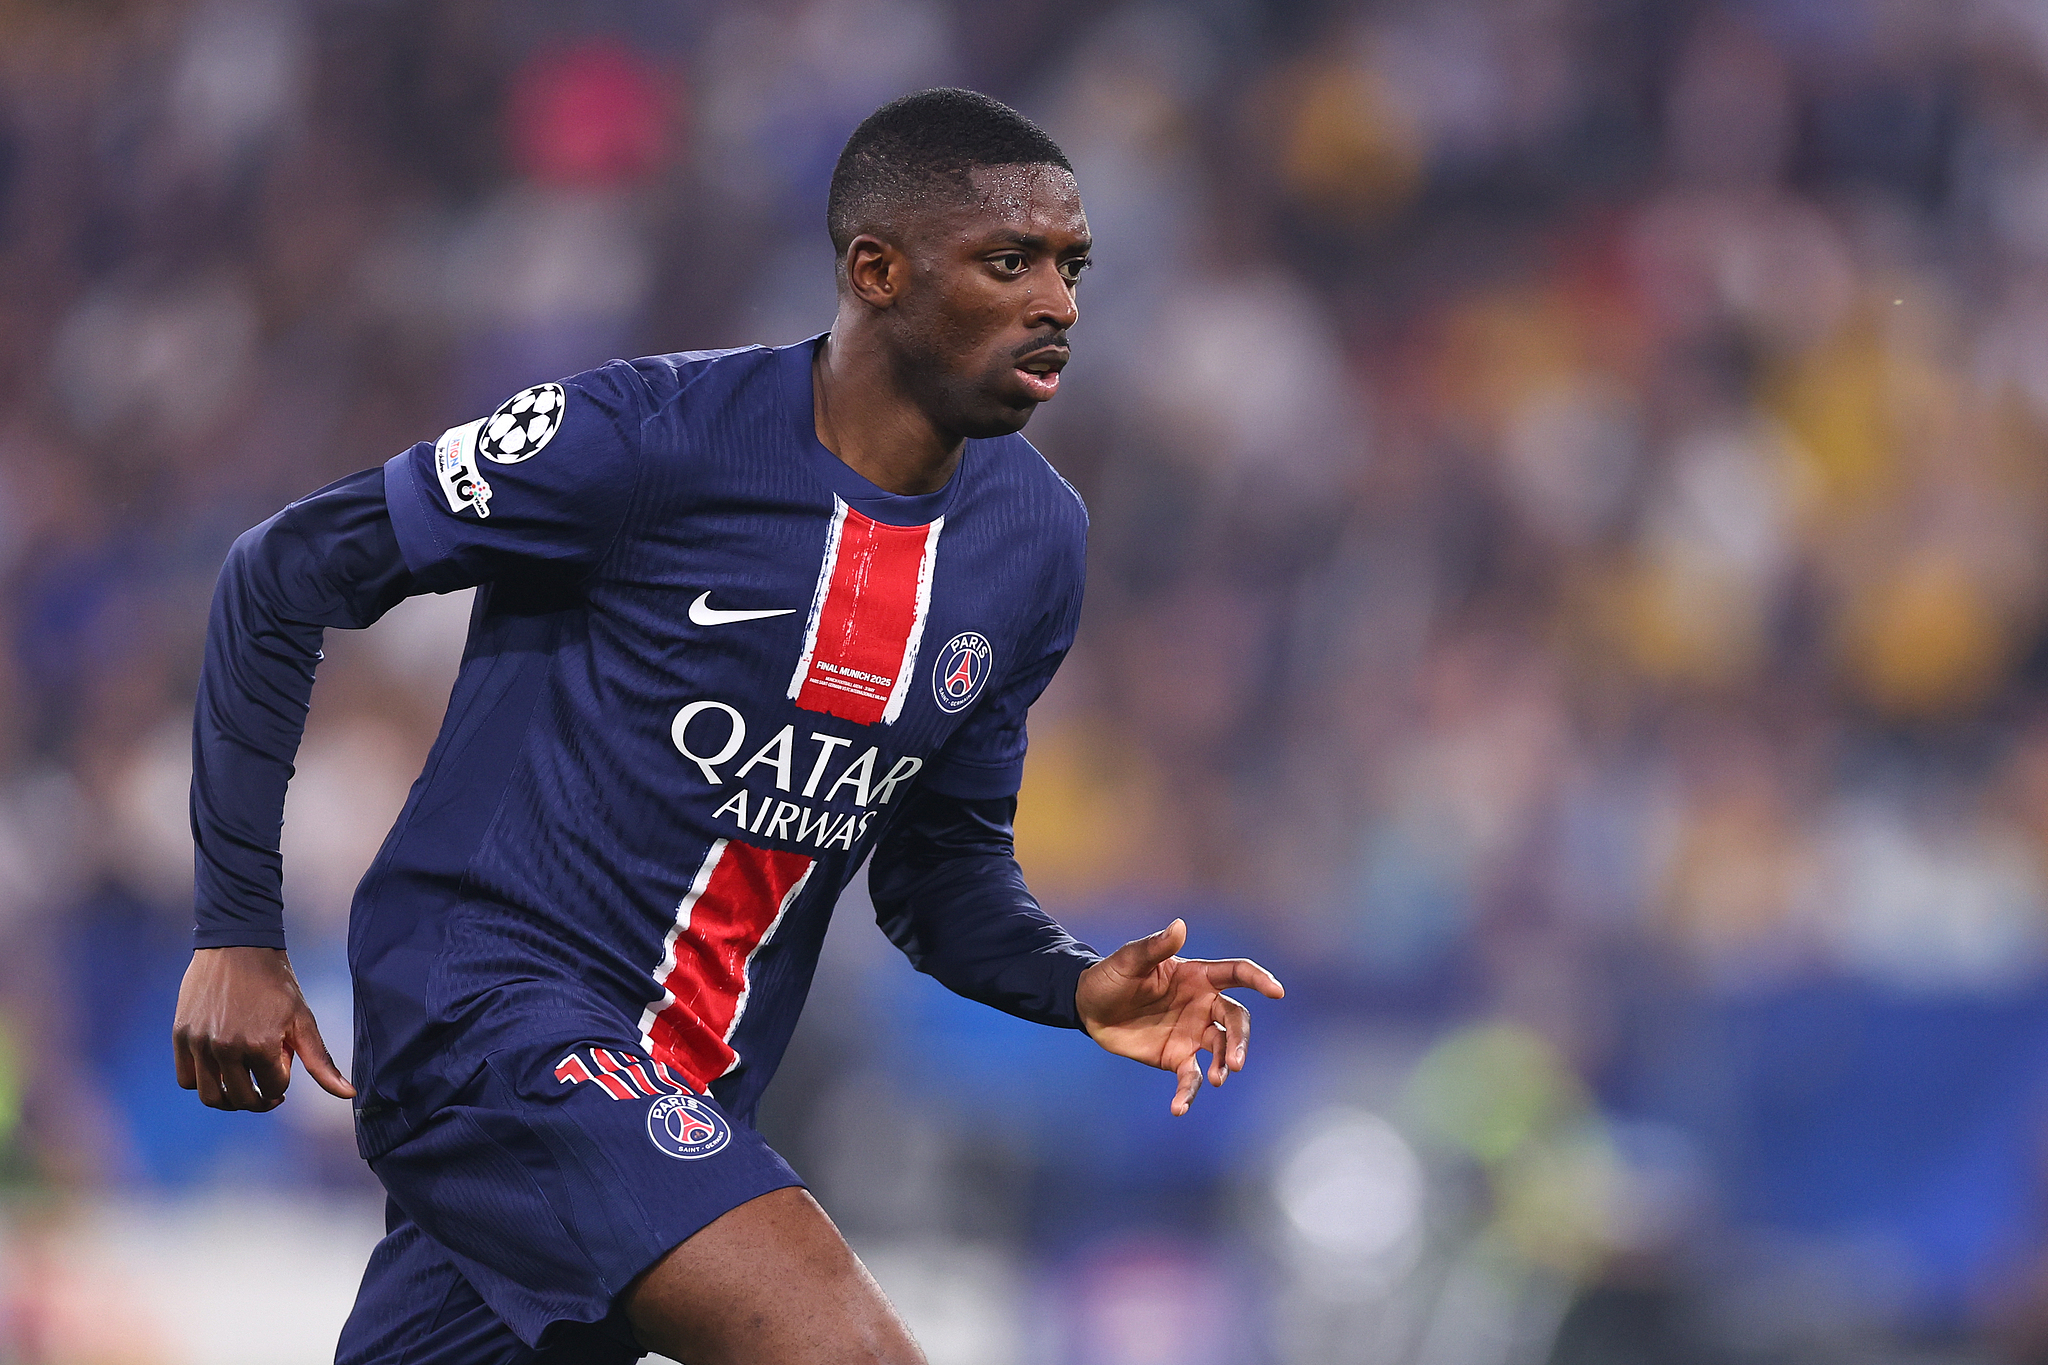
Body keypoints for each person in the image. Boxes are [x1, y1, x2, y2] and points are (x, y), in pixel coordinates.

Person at [173, 87, 1284, 1365]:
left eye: (1071, 268)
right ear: (875, 271)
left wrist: (1070, 982)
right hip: (490, 1014)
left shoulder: (1033, 540)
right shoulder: (643, 439)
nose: (1058, 305)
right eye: (1009, 262)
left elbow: (939, 873)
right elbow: (284, 569)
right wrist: (237, 931)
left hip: (688, 1085)